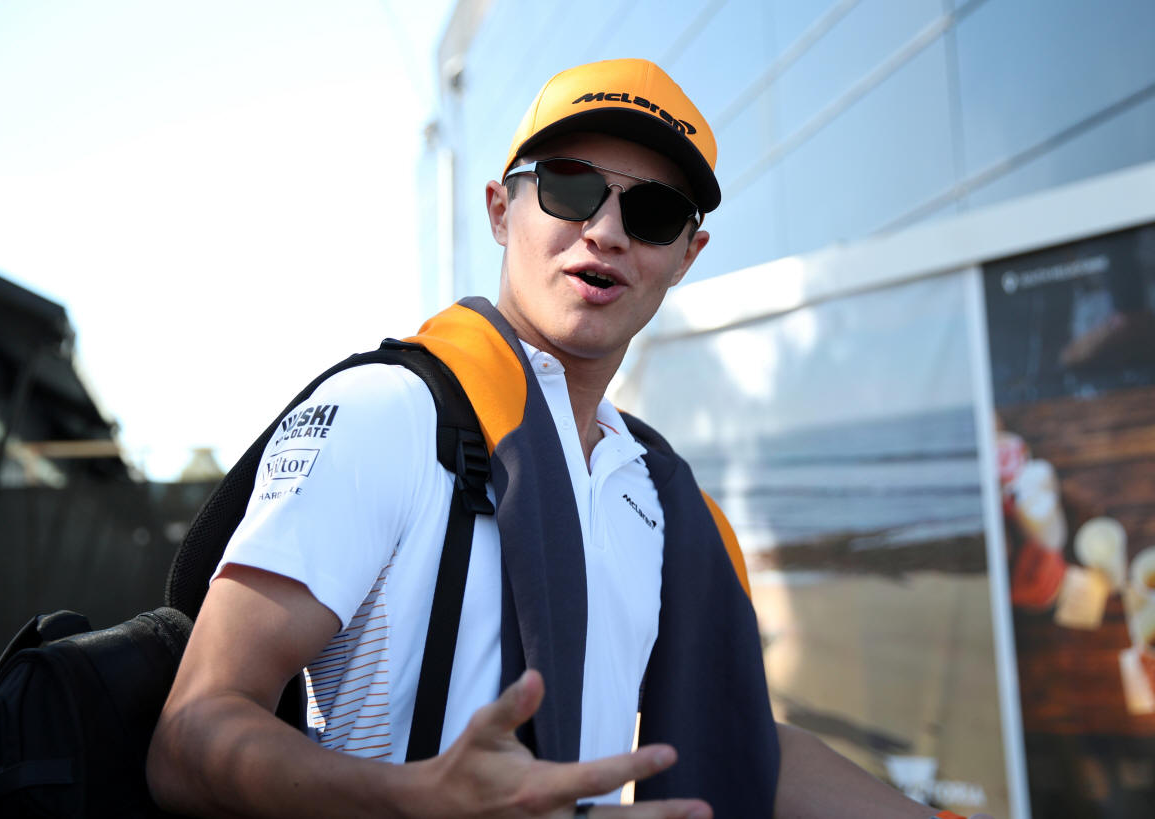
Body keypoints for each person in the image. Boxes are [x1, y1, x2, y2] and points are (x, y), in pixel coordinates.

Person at [148, 58, 990, 819]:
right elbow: (189, 733)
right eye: (569, 187)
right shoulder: (388, 416)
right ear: (499, 209)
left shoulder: (660, 498)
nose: (608, 230)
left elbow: (744, 751)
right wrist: (414, 798)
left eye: (654, 212)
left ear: (687, 255)